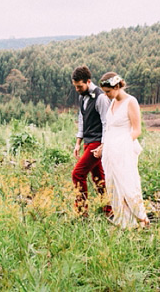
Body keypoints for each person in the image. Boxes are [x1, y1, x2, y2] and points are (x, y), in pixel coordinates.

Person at [93, 71, 149, 228]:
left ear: (117, 86)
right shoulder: (112, 103)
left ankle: (141, 219)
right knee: (113, 186)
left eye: (108, 91)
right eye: (104, 92)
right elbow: (110, 130)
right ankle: (124, 222)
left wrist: (119, 145)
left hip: (123, 151)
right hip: (110, 152)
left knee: (128, 185)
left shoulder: (131, 102)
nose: (106, 95)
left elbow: (137, 130)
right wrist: (102, 147)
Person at [71, 66, 112, 217]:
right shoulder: (82, 96)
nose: (77, 89)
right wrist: (78, 143)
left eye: (79, 86)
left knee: (77, 174)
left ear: (88, 81)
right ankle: (109, 210)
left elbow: (106, 123)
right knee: (98, 178)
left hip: (97, 142)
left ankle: (82, 212)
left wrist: (103, 146)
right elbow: (82, 120)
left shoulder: (100, 97)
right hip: (88, 141)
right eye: (75, 87)